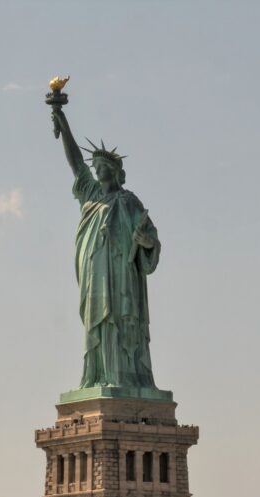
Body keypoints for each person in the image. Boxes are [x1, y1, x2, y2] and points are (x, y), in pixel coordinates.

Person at [50, 108, 162, 392]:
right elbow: (76, 162)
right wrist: (62, 120)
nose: (96, 169)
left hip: (122, 276)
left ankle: (126, 378)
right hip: (94, 274)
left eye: (101, 166)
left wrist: (145, 241)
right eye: (95, 165)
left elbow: (150, 239)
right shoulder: (91, 195)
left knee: (120, 321)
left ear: (114, 172)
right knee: (97, 324)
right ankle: (96, 376)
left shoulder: (128, 201)